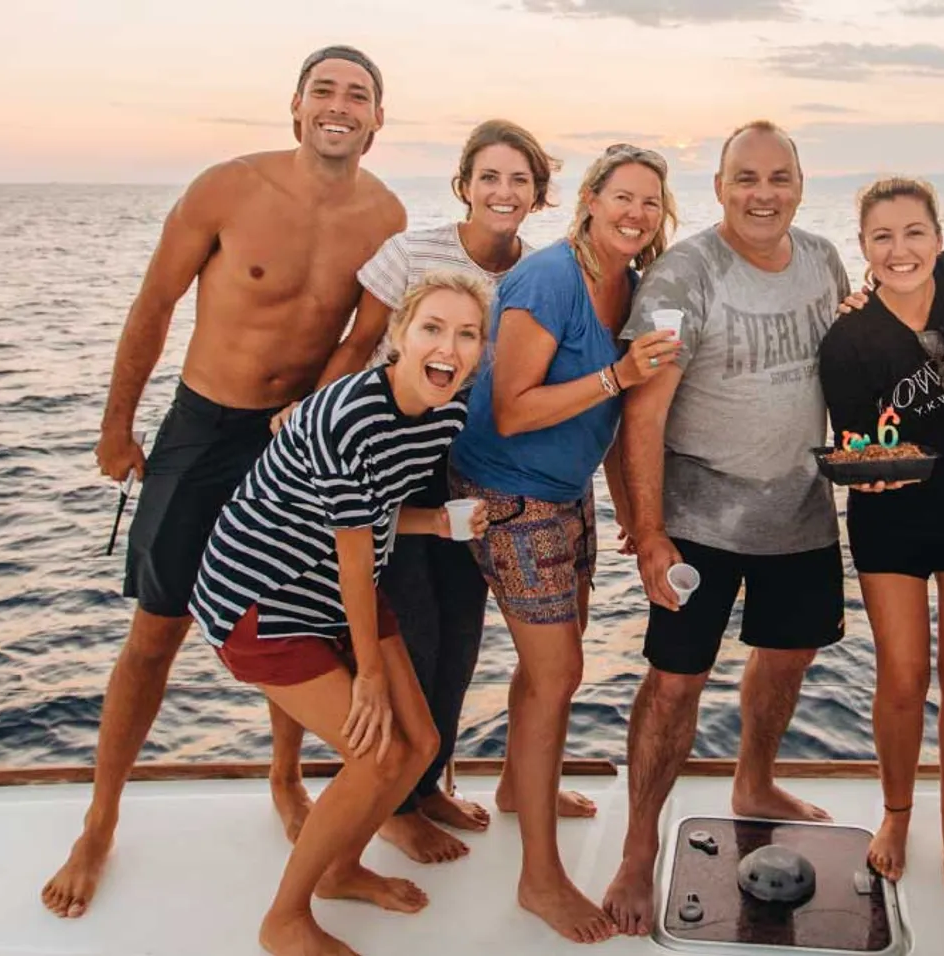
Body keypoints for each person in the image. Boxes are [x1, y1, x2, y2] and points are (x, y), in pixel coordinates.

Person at [42, 45, 406, 919]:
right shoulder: (227, 187)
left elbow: (362, 338)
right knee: (156, 631)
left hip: (294, 442)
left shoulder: (386, 216)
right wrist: (115, 427)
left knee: (298, 619)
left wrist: (316, 414)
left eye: (358, 96)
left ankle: (284, 781)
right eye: (325, 90)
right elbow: (154, 304)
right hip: (206, 429)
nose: (339, 106)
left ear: (377, 119)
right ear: (295, 107)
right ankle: (100, 820)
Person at [265, 119, 562, 866]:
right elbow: (363, 344)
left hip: (474, 472)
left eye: (519, 180)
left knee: (461, 636)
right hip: (395, 465)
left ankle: (428, 784)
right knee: (415, 629)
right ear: (464, 183)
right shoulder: (411, 253)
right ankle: (391, 802)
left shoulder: (540, 272)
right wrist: (314, 414)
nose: (504, 192)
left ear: (538, 194)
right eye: (489, 177)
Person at [188, 270, 490, 956]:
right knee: (379, 752)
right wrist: (370, 676)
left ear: (479, 351)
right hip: (262, 598)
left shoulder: (448, 413)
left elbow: (375, 514)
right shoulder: (348, 415)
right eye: (433, 328)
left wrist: (441, 521)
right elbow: (352, 553)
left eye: (468, 334)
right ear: (399, 337)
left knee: (420, 745)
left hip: (335, 591)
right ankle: (285, 919)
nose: (450, 346)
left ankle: (341, 869)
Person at [603, 121, 851, 936]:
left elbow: (843, 373)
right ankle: (640, 845)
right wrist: (647, 532)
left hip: (800, 508)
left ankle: (754, 782)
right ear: (718, 187)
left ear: (801, 184)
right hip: (698, 520)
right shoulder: (684, 276)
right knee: (675, 684)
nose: (763, 194)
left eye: (779, 177)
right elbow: (643, 414)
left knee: (787, 660)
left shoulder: (822, 260)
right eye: (746, 178)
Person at [445, 143, 680, 944]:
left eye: (650, 202)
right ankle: (539, 879)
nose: (635, 213)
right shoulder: (550, 277)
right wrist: (619, 375)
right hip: (505, 488)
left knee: (552, 662)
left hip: (565, 490)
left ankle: (517, 789)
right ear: (588, 198)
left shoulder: (636, 288)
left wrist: (633, 518)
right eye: (622, 196)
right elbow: (511, 408)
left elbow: (615, 426)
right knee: (559, 672)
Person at [816, 177, 944, 892]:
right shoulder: (849, 337)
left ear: (940, 232)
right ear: (862, 247)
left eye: (913, 232)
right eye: (882, 237)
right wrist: (866, 471)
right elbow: (856, 441)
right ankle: (896, 811)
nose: (901, 251)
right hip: (891, 521)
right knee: (903, 676)